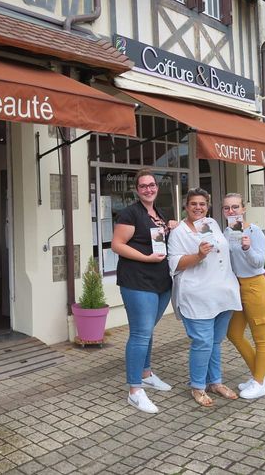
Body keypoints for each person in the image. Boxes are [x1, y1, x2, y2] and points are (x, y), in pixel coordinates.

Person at [167, 188, 242, 407]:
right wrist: (199, 255)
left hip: (222, 293)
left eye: (202, 203)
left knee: (216, 342)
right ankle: (197, 386)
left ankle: (215, 382)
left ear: (207, 206)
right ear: (186, 206)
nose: (198, 207)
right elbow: (174, 264)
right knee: (202, 342)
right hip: (197, 295)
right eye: (193, 204)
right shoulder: (179, 232)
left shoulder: (212, 224)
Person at [111, 169, 176, 414]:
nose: (148, 189)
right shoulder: (130, 213)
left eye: (152, 185)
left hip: (161, 282)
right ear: (137, 190)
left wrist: (172, 227)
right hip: (137, 281)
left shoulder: (159, 213)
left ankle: (146, 373)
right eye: (143, 186)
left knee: (148, 331)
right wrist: (146, 258)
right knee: (140, 333)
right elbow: (117, 245)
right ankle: (135, 390)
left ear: (157, 187)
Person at [222, 193, 265, 400]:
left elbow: (259, 263)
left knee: (261, 338)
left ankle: (259, 382)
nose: (231, 211)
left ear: (243, 209)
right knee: (233, 334)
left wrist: (247, 247)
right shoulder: (226, 231)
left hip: (255, 287)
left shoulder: (254, 231)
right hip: (237, 287)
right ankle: (259, 374)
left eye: (235, 207)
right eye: (227, 208)